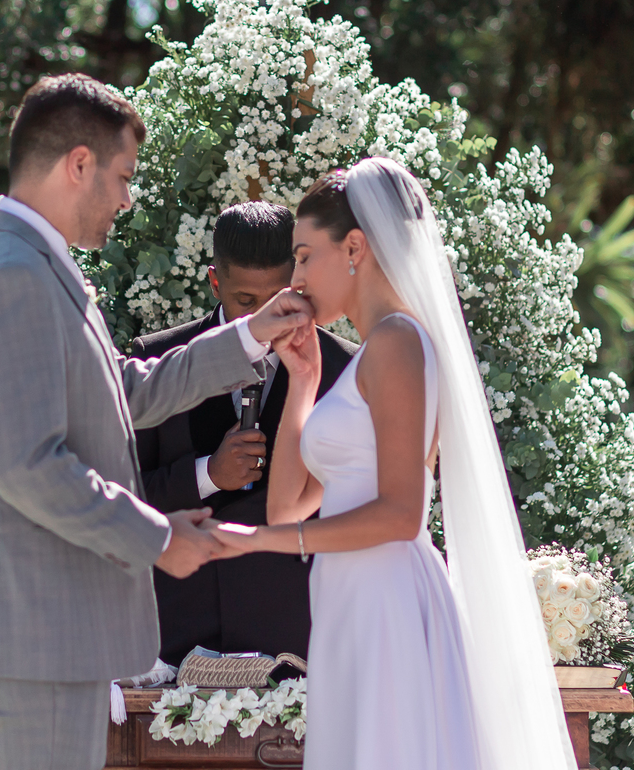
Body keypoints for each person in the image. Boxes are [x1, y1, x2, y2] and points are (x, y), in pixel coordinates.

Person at [0, 73, 312, 770]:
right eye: (123, 177)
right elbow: (29, 467)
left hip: (52, 637)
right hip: (34, 635)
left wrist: (250, 334)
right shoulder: (10, 277)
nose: (127, 199)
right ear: (79, 164)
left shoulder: (32, 266)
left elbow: (122, 389)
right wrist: (158, 537)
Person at [211, 158, 576, 770]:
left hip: (387, 600)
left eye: (304, 256)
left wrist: (263, 543)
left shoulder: (398, 343)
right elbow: (287, 506)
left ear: (354, 247)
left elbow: (403, 514)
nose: (294, 278)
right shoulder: (367, 354)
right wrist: (304, 381)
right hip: (349, 600)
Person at [131, 201, 357, 666]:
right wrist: (207, 474)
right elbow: (121, 498)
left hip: (301, 640)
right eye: (247, 302)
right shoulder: (156, 360)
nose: (267, 317)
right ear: (215, 282)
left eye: (280, 298)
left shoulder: (348, 369)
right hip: (175, 639)